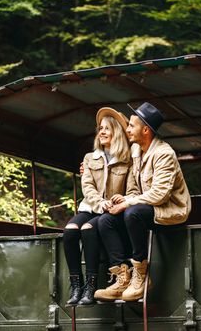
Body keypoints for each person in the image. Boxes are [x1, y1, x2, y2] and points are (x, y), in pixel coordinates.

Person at [94, 102, 191, 302]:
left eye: (132, 126)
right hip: (145, 208)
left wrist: (128, 204)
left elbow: (159, 195)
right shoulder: (136, 150)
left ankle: (142, 276)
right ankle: (122, 277)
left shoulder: (164, 153)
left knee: (132, 213)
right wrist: (124, 199)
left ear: (145, 130)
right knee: (106, 220)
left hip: (170, 212)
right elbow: (135, 190)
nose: (127, 129)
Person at [63, 107, 137, 305]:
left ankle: (91, 285)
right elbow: (87, 186)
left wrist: (118, 200)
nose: (101, 132)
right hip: (91, 206)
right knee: (70, 231)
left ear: (117, 132)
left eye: (107, 128)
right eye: (100, 128)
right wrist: (99, 202)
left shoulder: (127, 160)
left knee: (88, 229)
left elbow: (131, 190)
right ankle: (76, 285)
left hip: (110, 212)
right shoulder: (89, 158)